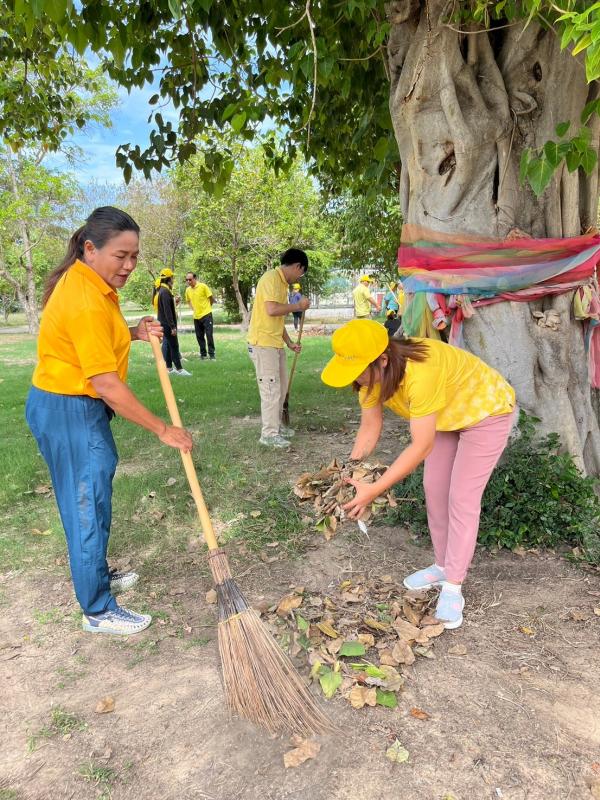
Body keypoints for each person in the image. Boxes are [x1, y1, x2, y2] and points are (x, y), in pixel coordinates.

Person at [25, 206, 194, 636]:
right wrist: (163, 430)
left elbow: (99, 337)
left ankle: (96, 574)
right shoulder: (84, 296)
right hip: (68, 410)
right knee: (86, 503)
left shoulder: (91, 284)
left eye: (134, 256)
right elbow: (106, 384)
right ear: (90, 248)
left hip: (72, 406)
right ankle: (98, 609)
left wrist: (134, 332)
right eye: (121, 255)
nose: (129, 265)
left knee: (93, 497)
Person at [321, 319, 516, 629]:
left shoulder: (421, 373)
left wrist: (375, 489)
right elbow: (370, 427)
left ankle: (453, 586)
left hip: (485, 412)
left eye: (357, 370)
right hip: (447, 416)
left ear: (383, 360)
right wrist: (349, 473)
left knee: (462, 497)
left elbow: (421, 446)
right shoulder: (370, 379)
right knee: (434, 488)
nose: (355, 379)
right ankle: (442, 565)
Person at [247, 248, 310, 448]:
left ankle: (277, 427)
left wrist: (289, 342)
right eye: (301, 273)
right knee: (270, 389)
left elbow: (277, 319)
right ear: (298, 266)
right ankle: (268, 434)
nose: (299, 277)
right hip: (262, 344)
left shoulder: (282, 284)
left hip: (275, 343)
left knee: (281, 388)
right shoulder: (271, 278)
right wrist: (298, 306)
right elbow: (272, 309)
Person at [156, 270, 191, 377]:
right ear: (169, 279)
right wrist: (172, 326)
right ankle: (180, 369)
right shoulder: (165, 292)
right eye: (172, 277)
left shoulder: (163, 290)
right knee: (174, 346)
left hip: (164, 323)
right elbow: (167, 311)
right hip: (167, 324)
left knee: (169, 346)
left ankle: (169, 368)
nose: (173, 280)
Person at [185, 271, 216, 360]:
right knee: (199, 337)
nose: (188, 281)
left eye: (190, 279)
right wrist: (193, 309)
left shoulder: (203, 286)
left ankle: (212, 355)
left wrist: (208, 308)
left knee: (209, 335)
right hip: (196, 317)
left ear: (195, 278)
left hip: (206, 315)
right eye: (187, 280)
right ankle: (203, 355)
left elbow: (211, 298)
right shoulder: (187, 290)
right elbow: (188, 301)